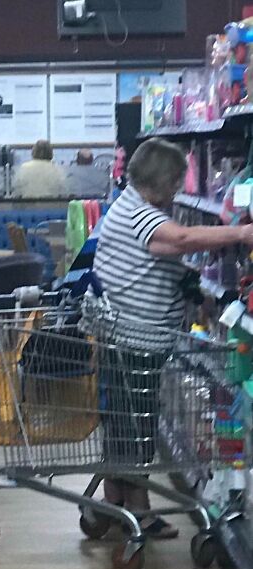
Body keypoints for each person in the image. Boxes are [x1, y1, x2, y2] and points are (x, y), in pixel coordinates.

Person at [93, 137, 253, 539]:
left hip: (129, 336)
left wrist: (197, 288)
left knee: (126, 424)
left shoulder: (128, 205)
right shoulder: (139, 213)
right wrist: (240, 233)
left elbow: (158, 261)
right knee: (137, 427)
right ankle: (137, 511)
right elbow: (179, 240)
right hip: (133, 339)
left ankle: (113, 501)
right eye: (177, 180)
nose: (180, 189)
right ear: (162, 180)